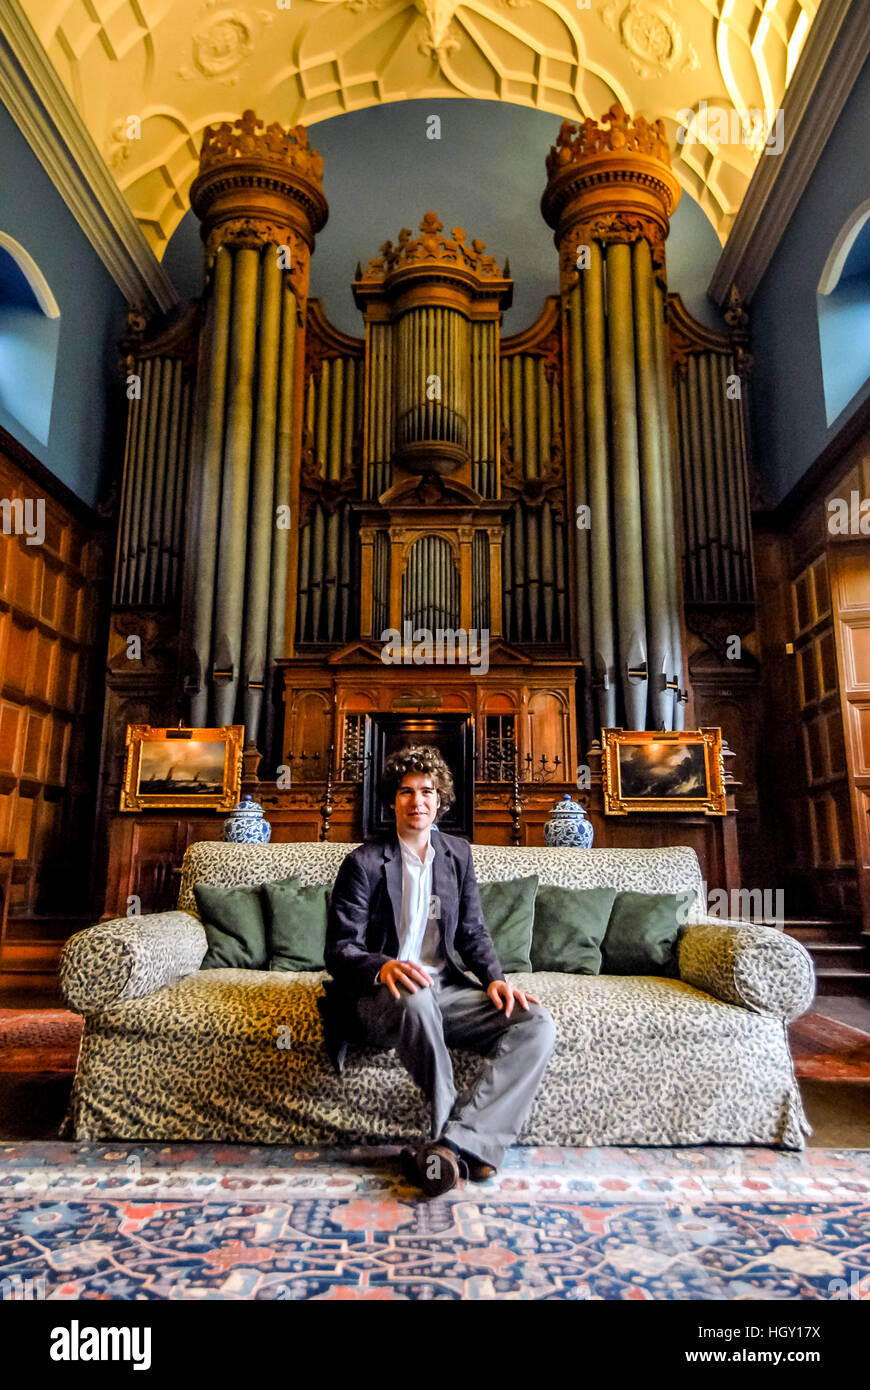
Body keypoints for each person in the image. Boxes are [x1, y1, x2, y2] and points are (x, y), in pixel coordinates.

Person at [321, 744, 557, 1197]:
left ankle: (459, 1144)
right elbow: (339, 950)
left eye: (427, 791)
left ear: (439, 799)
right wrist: (384, 965)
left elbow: (472, 931)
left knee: (536, 1023)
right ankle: (454, 1140)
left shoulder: (457, 855)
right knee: (413, 993)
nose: (418, 800)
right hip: (381, 1000)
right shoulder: (363, 863)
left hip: (444, 989)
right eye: (407, 792)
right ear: (393, 800)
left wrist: (496, 981)